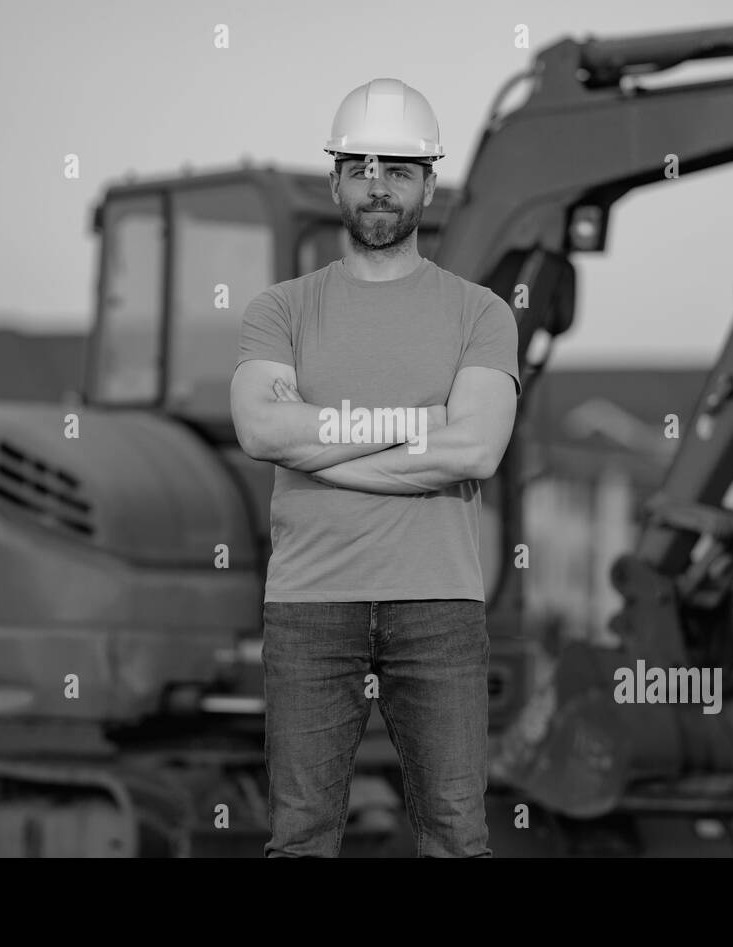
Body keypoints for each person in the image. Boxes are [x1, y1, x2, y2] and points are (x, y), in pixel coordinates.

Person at [230, 78, 520, 857]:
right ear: (334, 181)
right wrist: (419, 428)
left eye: (397, 168)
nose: (378, 185)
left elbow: (478, 449)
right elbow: (261, 427)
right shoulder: (279, 310)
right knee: (299, 839)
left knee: (457, 836)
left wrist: (324, 449)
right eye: (360, 167)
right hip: (310, 603)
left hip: (439, 603)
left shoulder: (482, 313)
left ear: (430, 181)